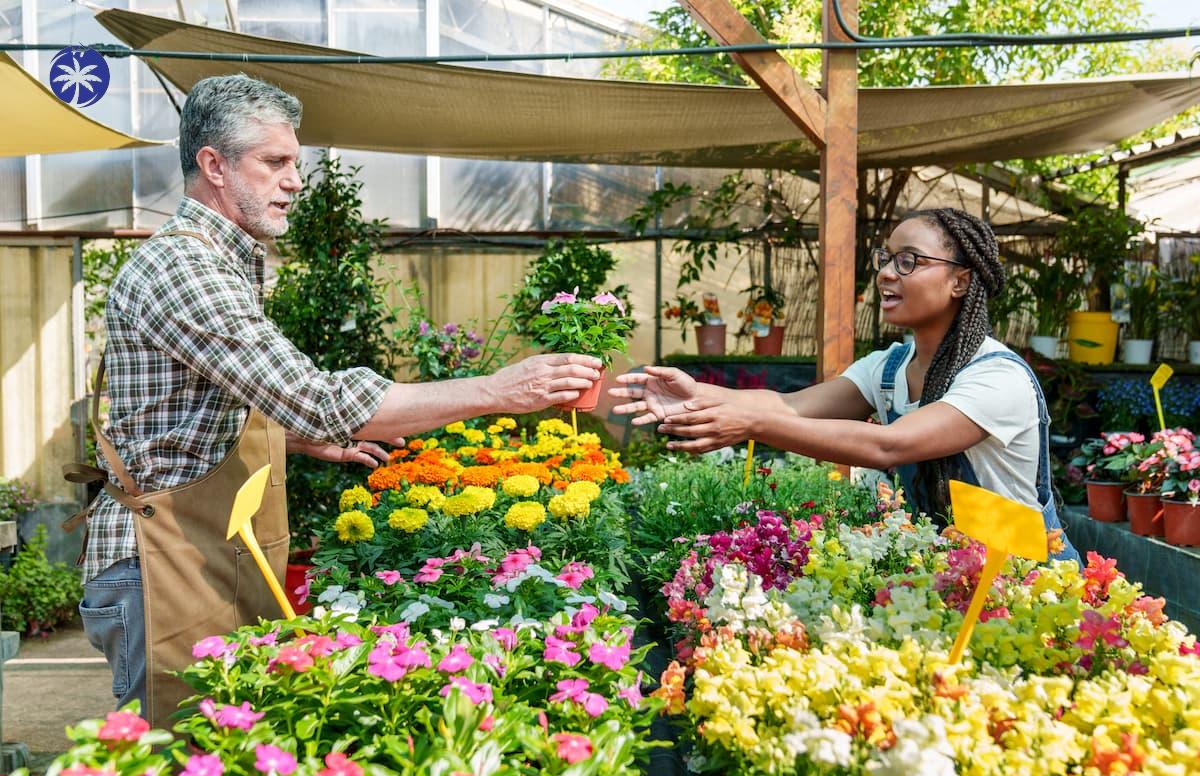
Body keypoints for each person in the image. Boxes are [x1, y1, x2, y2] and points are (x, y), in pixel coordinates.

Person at [72, 74, 602, 726]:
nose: (295, 180)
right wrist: (497, 390)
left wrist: (288, 437)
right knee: (180, 759)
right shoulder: (185, 267)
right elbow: (313, 396)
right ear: (214, 165)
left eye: (295, 163)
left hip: (190, 550)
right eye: (275, 163)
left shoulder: (221, 260)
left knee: (222, 752)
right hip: (155, 568)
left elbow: (190, 405)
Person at [612, 207, 1081, 562]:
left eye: (909, 260)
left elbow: (891, 446)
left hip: (1028, 575)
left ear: (960, 282)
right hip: (957, 570)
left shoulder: (997, 377)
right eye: (886, 258)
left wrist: (751, 422)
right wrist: (697, 394)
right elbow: (789, 405)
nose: (885, 272)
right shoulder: (890, 366)